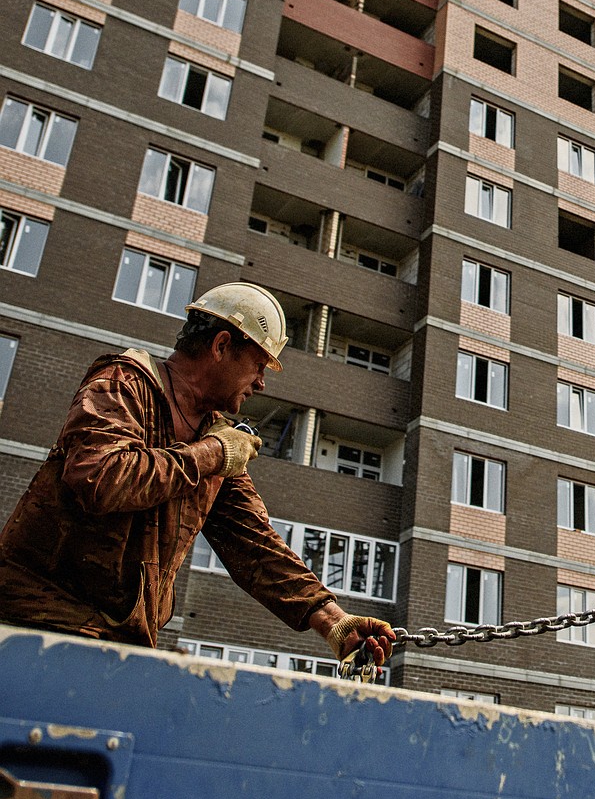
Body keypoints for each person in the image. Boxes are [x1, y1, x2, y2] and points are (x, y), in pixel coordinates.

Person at [0, 282, 395, 669]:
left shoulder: (216, 435)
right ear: (221, 346)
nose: (261, 382)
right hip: (31, 625)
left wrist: (333, 622)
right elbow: (101, 478)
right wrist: (212, 454)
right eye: (259, 365)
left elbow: (255, 545)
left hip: (119, 644)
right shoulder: (124, 385)